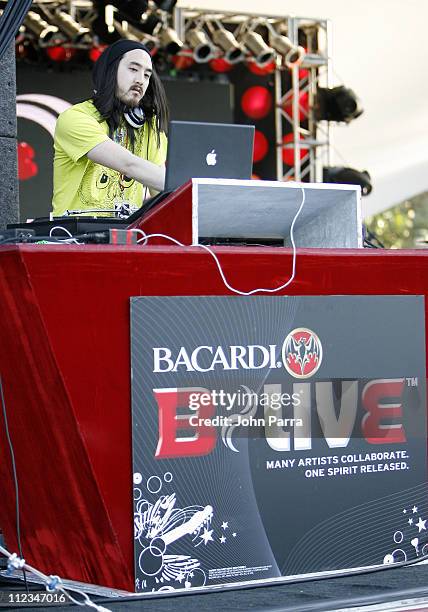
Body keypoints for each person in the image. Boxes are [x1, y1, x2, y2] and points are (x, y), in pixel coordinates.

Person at [52, 39, 169, 217]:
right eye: (133, 69)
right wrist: (191, 186)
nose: (140, 80)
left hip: (126, 237)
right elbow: (128, 165)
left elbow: (161, 192)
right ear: (110, 71)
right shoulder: (75, 118)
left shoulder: (149, 127)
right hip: (72, 237)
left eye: (146, 75)